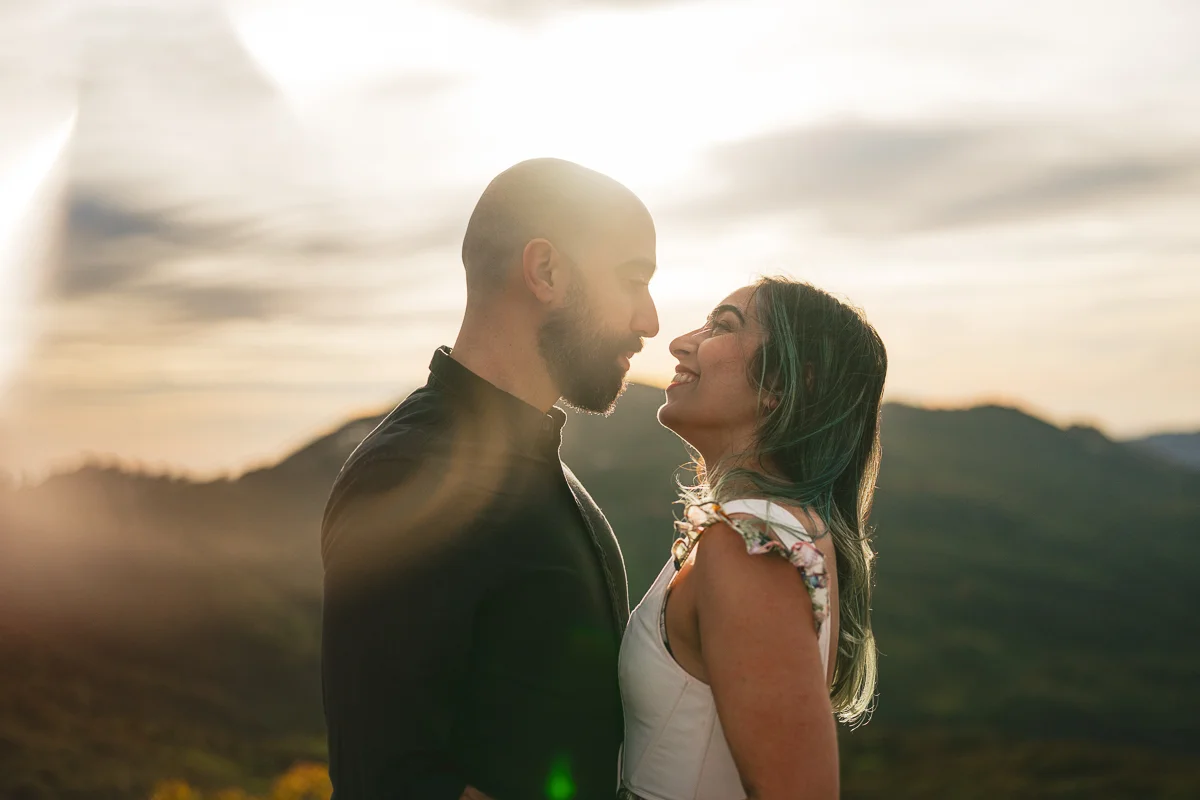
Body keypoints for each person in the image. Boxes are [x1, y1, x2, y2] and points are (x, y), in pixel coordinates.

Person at [320, 158, 660, 800]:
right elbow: (388, 778)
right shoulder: (411, 475)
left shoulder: (545, 471)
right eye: (633, 280)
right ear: (546, 272)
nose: (650, 320)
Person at [618, 278, 886, 800]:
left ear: (782, 386)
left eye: (722, 326)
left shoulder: (748, 545)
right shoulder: (789, 528)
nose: (681, 342)